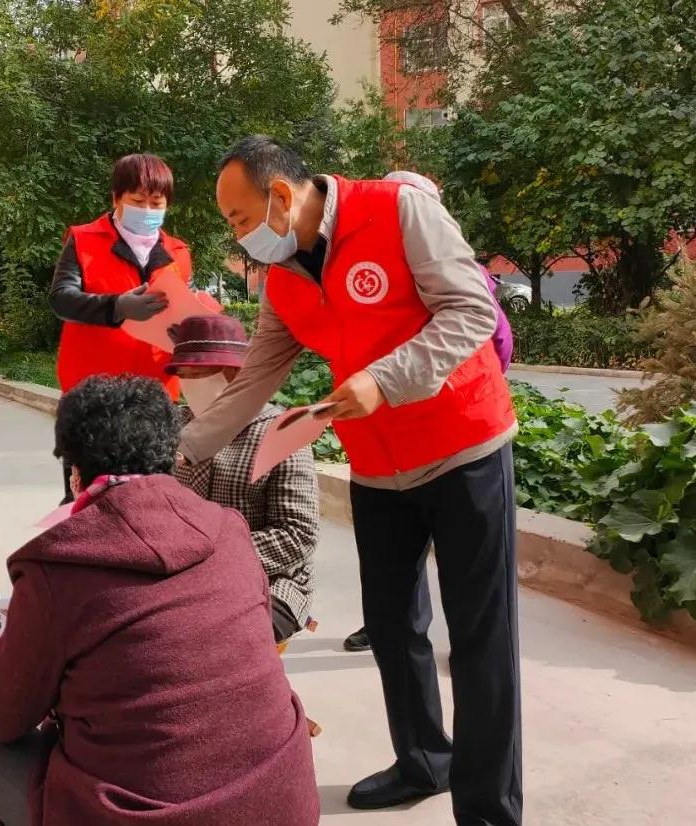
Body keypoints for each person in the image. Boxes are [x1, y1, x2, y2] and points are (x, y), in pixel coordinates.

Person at [178, 137, 521, 824]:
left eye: (240, 218)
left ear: (281, 196)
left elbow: (471, 313)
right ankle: (423, 760)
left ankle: (487, 810)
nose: (238, 236)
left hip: (464, 448)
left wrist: (384, 379)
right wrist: (171, 457)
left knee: (479, 639)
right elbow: (251, 385)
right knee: (392, 627)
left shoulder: (398, 211)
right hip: (378, 467)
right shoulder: (283, 282)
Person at [0, 376, 319, 826]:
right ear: (172, 457)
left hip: (144, 814)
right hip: (281, 802)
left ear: (75, 473)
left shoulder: (56, 569)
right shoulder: (230, 531)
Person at [342, 171, 515, 653]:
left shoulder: (458, 272)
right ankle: (387, 625)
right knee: (396, 580)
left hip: (455, 432)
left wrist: (447, 379)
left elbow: (495, 340)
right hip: (387, 442)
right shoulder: (368, 266)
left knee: (471, 586)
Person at [49, 153, 193, 501]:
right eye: (138, 201)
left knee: (154, 497)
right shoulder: (83, 240)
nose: (148, 210)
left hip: (155, 396)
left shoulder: (178, 252)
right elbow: (61, 299)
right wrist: (116, 307)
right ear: (116, 198)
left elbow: (186, 309)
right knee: (87, 498)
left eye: (156, 203)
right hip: (93, 396)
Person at [168, 314, 319, 643]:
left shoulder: (282, 433)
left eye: (199, 374)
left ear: (237, 374)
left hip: (272, 580)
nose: (188, 384)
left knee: (216, 634)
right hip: (181, 572)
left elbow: (298, 534)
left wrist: (212, 556)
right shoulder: (171, 426)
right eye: (183, 375)